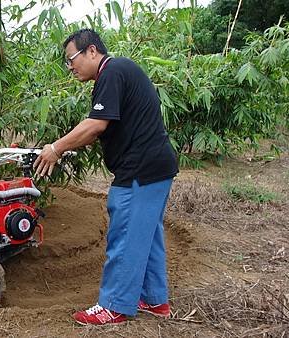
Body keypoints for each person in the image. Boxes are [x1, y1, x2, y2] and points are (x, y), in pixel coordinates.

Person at [33, 29, 179, 326]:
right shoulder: (118, 71)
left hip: (141, 171)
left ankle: (113, 305)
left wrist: (56, 148)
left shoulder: (111, 72)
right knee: (147, 236)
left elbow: (96, 124)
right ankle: (154, 300)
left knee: (123, 236)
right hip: (156, 168)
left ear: (91, 52)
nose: (70, 67)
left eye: (71, 59)